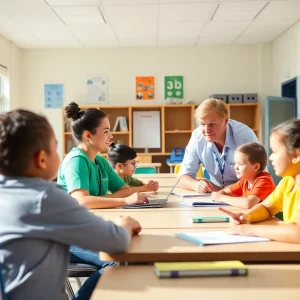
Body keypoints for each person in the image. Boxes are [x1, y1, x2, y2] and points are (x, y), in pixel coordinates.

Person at [0, 109, 142, 300]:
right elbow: (116, 241)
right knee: (121, 263)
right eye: (56, 148)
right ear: (42, 159)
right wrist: (124, 224)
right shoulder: (45, 198)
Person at [220, 119, 300, 244]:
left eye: (274, 151)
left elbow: (298, 232)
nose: (270, 157)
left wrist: (249, 230)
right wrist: (247, 217)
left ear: (296, 156)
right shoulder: (288, 181)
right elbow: (267, 207)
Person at [57, 102, 148, 209]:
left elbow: (125, 191)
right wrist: (125, 201)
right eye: (106, 131)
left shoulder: (100, 161)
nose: (111, 136)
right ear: (88, 135)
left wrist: (98, 200)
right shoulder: (76, 161)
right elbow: (82, 201)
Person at [179, 98, 259, 193]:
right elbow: (183, 177)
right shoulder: (197, 137)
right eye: (202, 124)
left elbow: (259, 178)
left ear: (225, 121)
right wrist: (196, 185)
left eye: (212, 124)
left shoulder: (244, 136)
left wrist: (223, 189)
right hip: (216, 195)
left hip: (245, 193)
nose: (206, 130)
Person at [210, 143, 275, 208]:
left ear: (256, 167)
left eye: (240, 164)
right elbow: (224, 191)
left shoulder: (264, 181)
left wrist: (221, 198)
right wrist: (219, 195)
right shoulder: (245, 181)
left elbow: (249, 203)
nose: (236, 167)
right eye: (235, 163)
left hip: (273, 218)